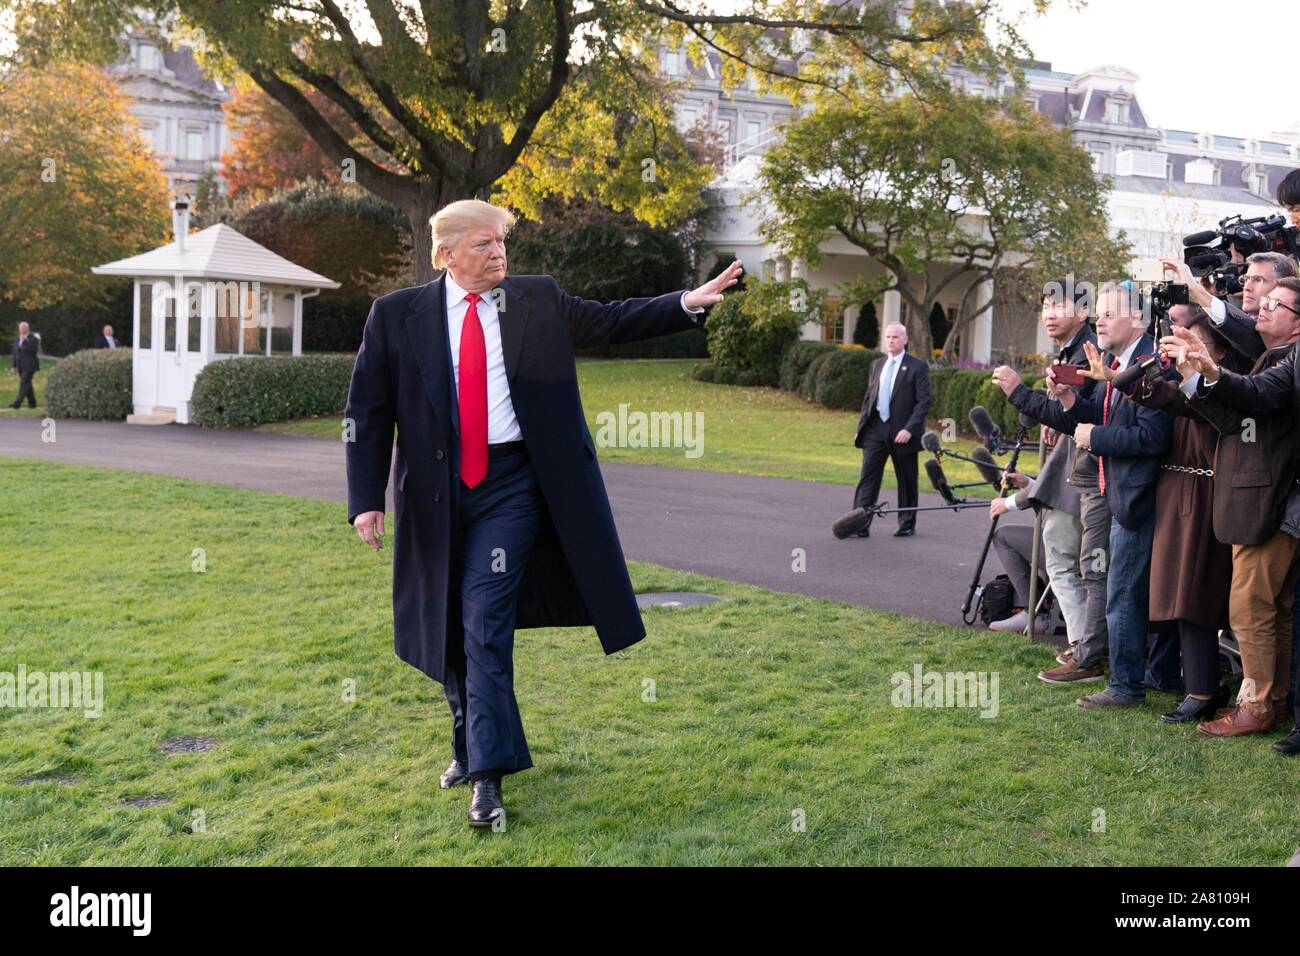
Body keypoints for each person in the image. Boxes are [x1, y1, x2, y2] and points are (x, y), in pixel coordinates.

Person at [344, 199, 742, 828]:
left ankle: (488, 778)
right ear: (445, 255)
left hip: (513, 487)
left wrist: (688, 301)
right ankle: (467, 741)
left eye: (501, 242)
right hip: (435, 494)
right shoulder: (397, 315)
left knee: (484, 620)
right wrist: (365, 498)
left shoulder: (537, 299)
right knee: (446, 627)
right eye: (483, 244)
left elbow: (611, 320)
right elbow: (366, 410)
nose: (498, 253)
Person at [1081, 314, 1233, 723]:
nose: (1175, 344)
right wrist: (1112, 382)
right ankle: (1169, 678)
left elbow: (1156, 427)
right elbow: (1162, 397)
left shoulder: (1215, 390)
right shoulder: (1180, 382)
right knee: (1170, 593)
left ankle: (1155, 685)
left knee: (1181, 593)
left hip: (1194, 497)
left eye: (1189, 338)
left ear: (1215, 351)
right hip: (1174, 493)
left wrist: (1097, 430)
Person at [1166, 277, 1300, 740]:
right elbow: (1233, 420)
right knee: (1271, 608)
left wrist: (1212, 372)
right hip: (1265, 502)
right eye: (1261, 302)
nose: (1260, 310)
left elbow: (1254, 400)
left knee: (1250, 608)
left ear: (1297, 325)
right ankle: (1271, 701)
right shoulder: (1274, 359)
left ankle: (1258, 706)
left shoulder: (1286, 362)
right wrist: (1193, 377)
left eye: (1274, 304)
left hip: (1267, 503)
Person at [989, 279, 1096, 658]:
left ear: (1083, 312)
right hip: (1069, 481)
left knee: (1066, 564)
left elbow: (1075, 419)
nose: (1048, 314)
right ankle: (1080, 643)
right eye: (1045, 307)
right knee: (1068, 563)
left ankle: (1083, 649)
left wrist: (1018, 392)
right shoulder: (1072, 352)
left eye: (1058, 306)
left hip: (1082, 483)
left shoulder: (1087, 353)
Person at [849, 323, 931, 538]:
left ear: (905, 340)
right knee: (868, 477)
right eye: (887, 337)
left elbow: (923, 402)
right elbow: (869, 398)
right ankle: (859, 523)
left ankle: (906, 523)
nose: (891, 341)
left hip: (902, 433)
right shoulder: (877, 365)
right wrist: (861, 429)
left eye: (895, 337)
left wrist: (909, 429)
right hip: (876, 430)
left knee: (906, 479)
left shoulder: (917, 367)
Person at [8, 321, 39, 409]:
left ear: (27, 329)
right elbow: (15, 353)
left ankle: (17, 403)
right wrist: (13, 366)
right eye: (20, 328)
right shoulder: (17, 339)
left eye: (24, 328)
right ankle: (32, 403)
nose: (22, 330)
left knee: (24, 383)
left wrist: (26, 341)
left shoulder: (33, 338)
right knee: (27, 384)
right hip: (21, 366)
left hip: (30, 366)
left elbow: (34, 350)